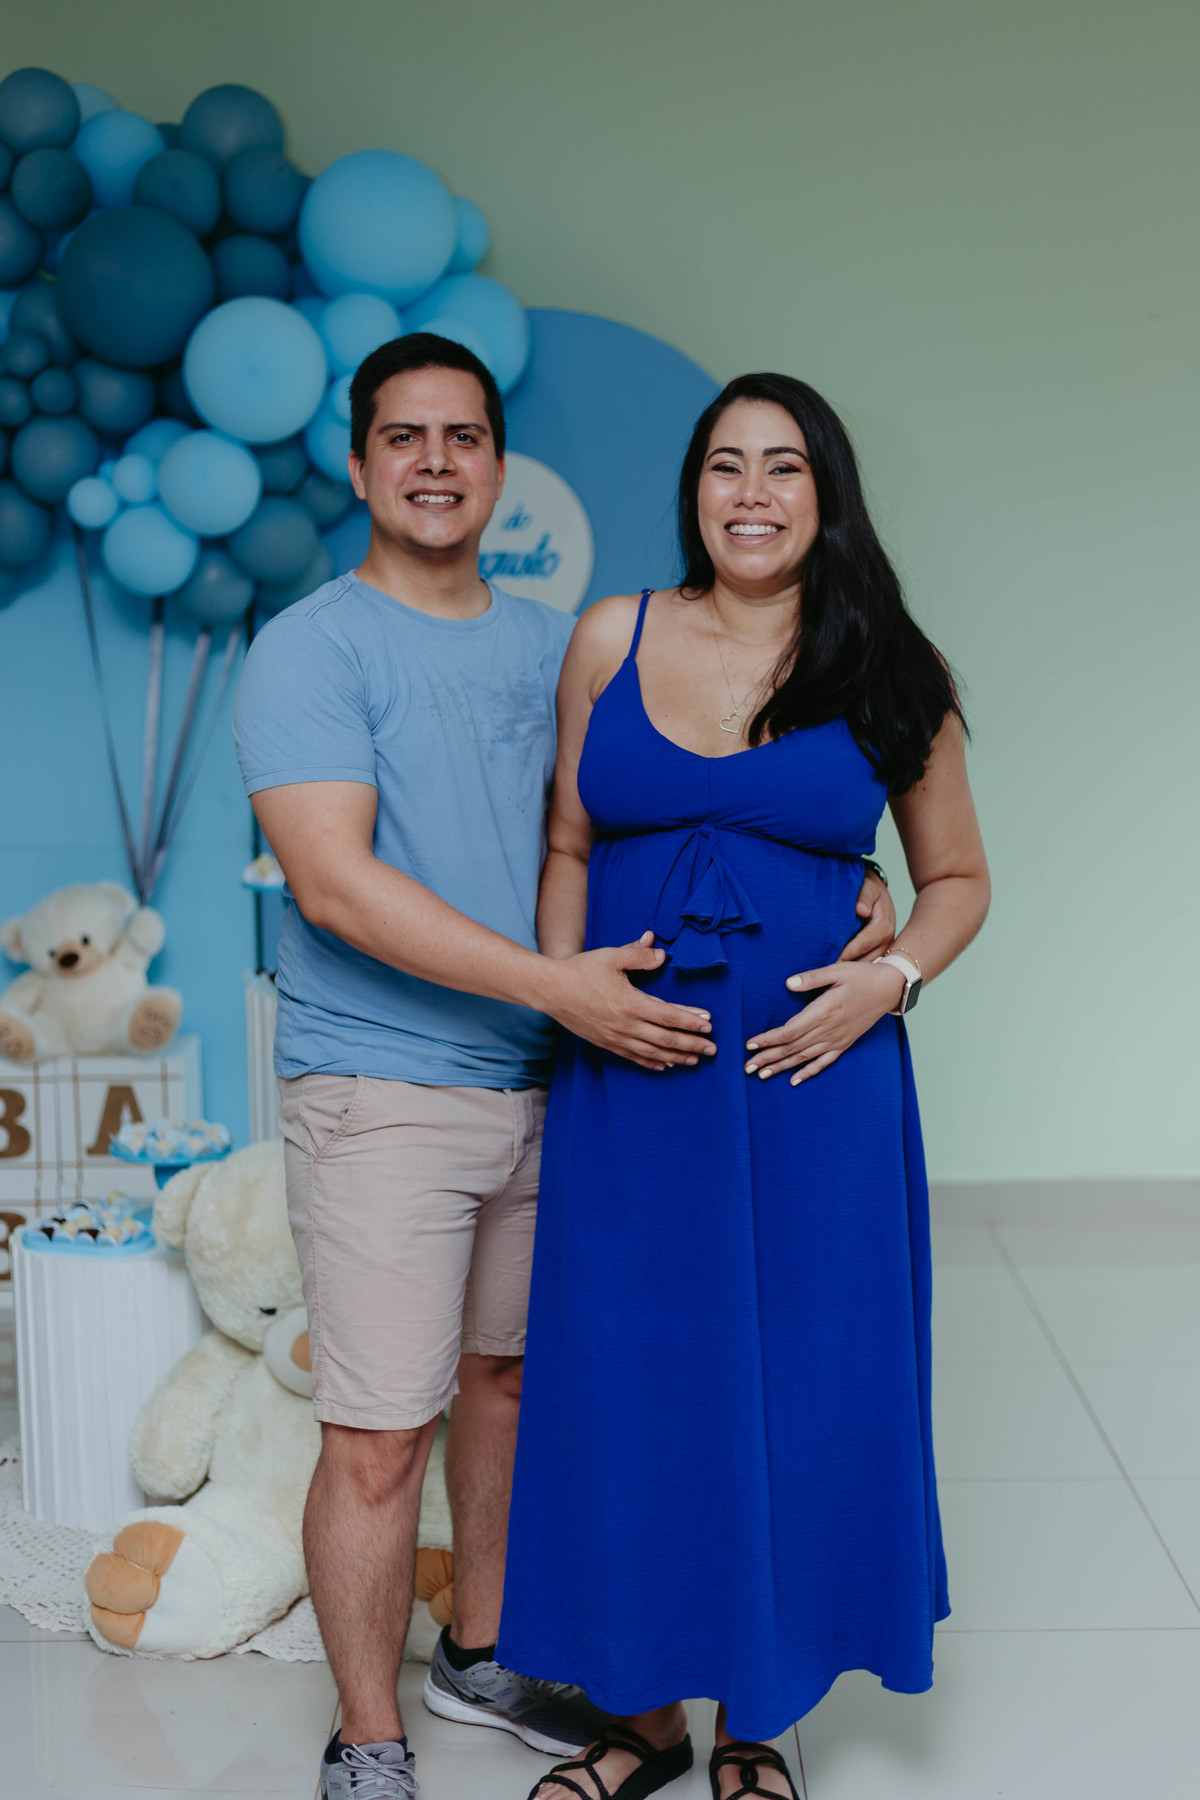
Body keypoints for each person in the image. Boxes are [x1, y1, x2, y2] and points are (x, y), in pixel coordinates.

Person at [233, 331, 903, 1799]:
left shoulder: (571, 638)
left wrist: (846, 888)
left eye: (463, 436)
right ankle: (367, 1738)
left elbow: (672, 801)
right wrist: (560, 987)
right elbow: (334, 886)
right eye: (403, 437)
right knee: (378, 1433)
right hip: (392, 1084)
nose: (435, 463)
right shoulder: (311, 649)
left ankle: (488, 1653)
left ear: (497, 461)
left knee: (524, 1390)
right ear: (357, 464)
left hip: (567, 1081)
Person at [496, 372, 991, 1800]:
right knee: (630, 1376)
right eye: (727, 465)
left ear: (827, 495)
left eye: (785, 467)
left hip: (813, 1083)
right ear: (694, 490)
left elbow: (958, 879)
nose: (753, 494)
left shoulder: (891, 665)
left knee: (802, 1377)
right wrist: (572, 987)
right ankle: (641, 1717)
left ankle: (760, 1719)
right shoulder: (612, 635)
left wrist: (891, 980)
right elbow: (569, 843)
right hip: (633, 1075)